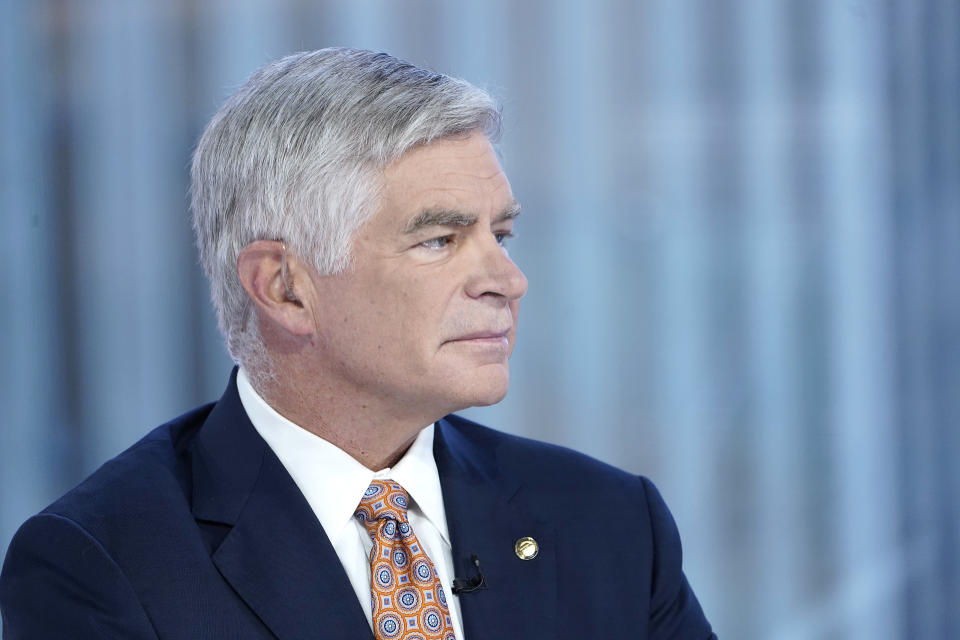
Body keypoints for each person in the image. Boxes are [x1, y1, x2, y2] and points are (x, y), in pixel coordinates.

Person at [0, 48, 716, 639]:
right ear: (283, 288)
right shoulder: (102, 565)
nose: (508, 279)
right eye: (439, 239)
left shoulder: (609, 523)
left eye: (500, 235)